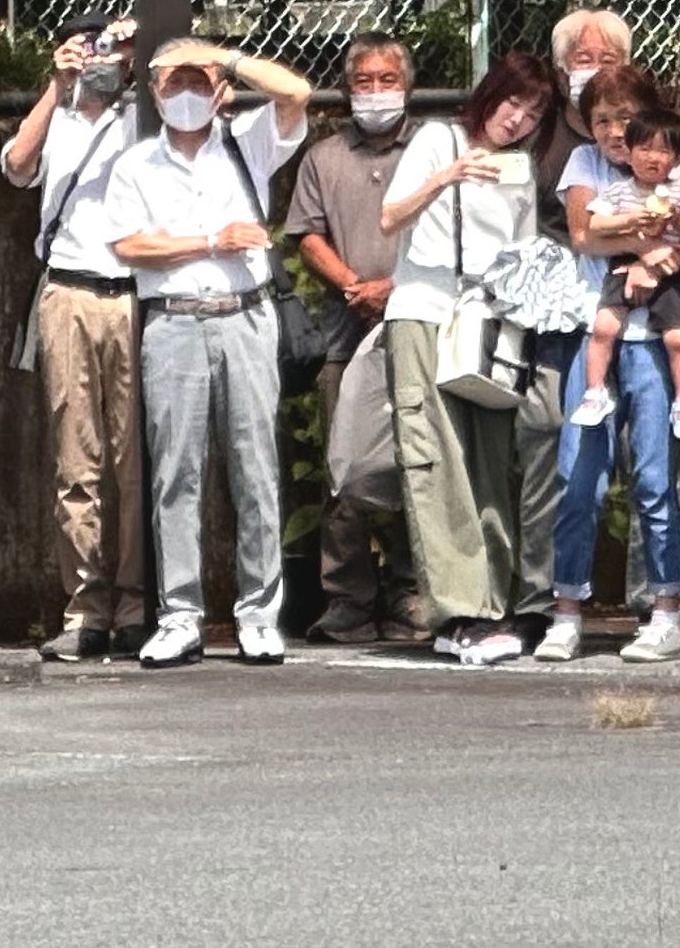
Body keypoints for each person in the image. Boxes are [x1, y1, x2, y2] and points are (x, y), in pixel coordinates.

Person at [95, 36, 314, 666]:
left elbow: (297, 92)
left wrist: (228, 59)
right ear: (155, 93)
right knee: (176, 472)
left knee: (256, 468)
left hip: (246, 317)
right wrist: (212, 240)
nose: (186, 95)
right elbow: (130, 246)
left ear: (217, 90)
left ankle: (259, 613)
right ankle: (180, 615)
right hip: (172, 323)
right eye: (173, 84)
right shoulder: (136, 165)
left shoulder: (247, 142)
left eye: (198, 82)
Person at [379, 54, 564, 666]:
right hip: (426, 307)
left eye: (534, 113)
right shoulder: (439, 138)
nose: (518, 119)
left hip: (491, 319)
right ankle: (459, 610)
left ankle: (493, 603)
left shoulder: (522, 167)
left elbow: (522, 250)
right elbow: (389, 218)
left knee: (489, 458)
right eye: (513, 103)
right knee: (435, 458)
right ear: (490, 95)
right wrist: (447, 178)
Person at [547, 63, 680, 661]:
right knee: (579, 479)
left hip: (656, 336)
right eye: (600, 119)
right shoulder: (583, 166)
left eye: (626, 117)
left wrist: (662, 261)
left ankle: (668, 609)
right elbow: (581, 235)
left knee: (654, 478)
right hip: (597, 333)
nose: (614, 131)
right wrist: (646, 240)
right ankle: (567, 608)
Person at [0, 16, 144, 659]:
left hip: (135, 292)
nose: (104, 59)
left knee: (134, 458)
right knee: (74, 456)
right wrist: (57, 85)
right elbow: (15, 166)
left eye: (116, 48)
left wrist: (145, 60)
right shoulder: (58, 111)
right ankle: (84, 608)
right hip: (67, 291)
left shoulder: (147, 116)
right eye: (95, 47)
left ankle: (137, 603)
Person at [281, 33, 428, 646]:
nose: (374, 92)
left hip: (419, 322)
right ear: (346, 90)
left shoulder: (430, 148)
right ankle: (347, 599)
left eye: (386, 80)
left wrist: (396, 287)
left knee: (417, 457)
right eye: (363, 81)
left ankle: (412, 591)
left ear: (407, 85)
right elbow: (306, 233)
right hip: (346, 330)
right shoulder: (323, 156)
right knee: (344, 467)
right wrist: (354, 285)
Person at [571, 100, 680, 442]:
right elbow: (595, 224)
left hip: (670, 271)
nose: (653, 157)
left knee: (678, 338)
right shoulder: (619, 190)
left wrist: (677, 219)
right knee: (604, 327)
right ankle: (595, 392)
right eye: (644, 148)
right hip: (622, 266)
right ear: (630, 153)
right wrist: (632, 221)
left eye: (664, 151)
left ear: (678, 160)